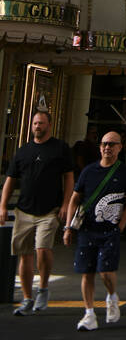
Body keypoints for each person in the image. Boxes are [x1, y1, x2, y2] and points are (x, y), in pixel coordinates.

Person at [0, 109, 74, 316]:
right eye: (35, 124)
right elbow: (10, 180)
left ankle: (42, 288)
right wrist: (2, 206)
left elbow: (69, 177)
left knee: (42, 248)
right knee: (24, 255)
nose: (38, 127)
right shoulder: (23, 151)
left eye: (41, 123)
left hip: (49, 211)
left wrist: (67, 203)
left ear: (49, 125)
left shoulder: (60, 148)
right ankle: (26, 298)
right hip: (24, 210)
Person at [63, 129, 126, 331]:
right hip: (87, 229)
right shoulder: (89, 171)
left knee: (105, 272)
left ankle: (112, 297)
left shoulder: (124, 172)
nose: (107, 147)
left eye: (112, 144)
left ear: (120, 148)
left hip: (109, 231)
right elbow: (75, 199)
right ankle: (89, 314)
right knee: (86, 272)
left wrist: (121, 225)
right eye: (104, 144)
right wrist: (68, 227)